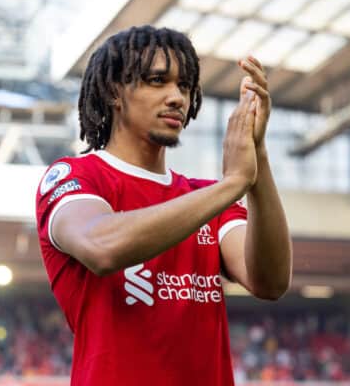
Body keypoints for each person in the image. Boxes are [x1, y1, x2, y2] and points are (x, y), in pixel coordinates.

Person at [35, 25, 292, 386]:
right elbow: (102, 246)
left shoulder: (204, 197)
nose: (177, 97)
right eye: (158, 81)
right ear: (113, 91)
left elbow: (270, 281)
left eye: (185, 86)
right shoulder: (74, 176)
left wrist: (257, 155)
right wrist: (233, 184)